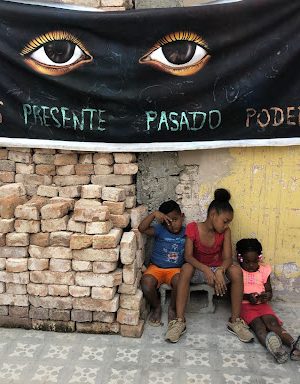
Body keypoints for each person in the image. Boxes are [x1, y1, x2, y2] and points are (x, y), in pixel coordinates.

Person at [165, 188, 254, 343]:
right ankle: (179, 321)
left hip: (217, 271)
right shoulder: (193, 228)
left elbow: (227, 258)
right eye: (225, 221)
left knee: (236, 271)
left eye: (228, 223)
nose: (226, 225)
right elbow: (188, 256)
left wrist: (220, 270)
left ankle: (235, 321)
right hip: (199, 270)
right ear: (213, 215)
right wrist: (205, 268)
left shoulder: (225, 232)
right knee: (185, 268)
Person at [236, 238, 300, 363]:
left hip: (262, 305)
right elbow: (231, 294)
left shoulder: (264, 270)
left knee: (273, 324)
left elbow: (269, 290)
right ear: (240, 258)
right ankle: (276, 350)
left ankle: (294, 345)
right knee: (259, 327)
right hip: (245, 306)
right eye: (247, 262)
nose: (251, 265)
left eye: (255, 262)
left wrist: (267, 296)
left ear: (259, 258)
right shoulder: (237, 271)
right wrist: (247, 297)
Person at [138, 200, 185, 326]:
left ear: (182, 216)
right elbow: (141, 228)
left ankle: (172, 308)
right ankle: (156, 306)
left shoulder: (186, 233)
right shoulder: (160, 230)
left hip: (175, 269)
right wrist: (154, 214)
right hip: (155, 268)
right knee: (146, 283)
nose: (172, 225)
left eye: (175, 219)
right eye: (168, 222)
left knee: (180, 281)